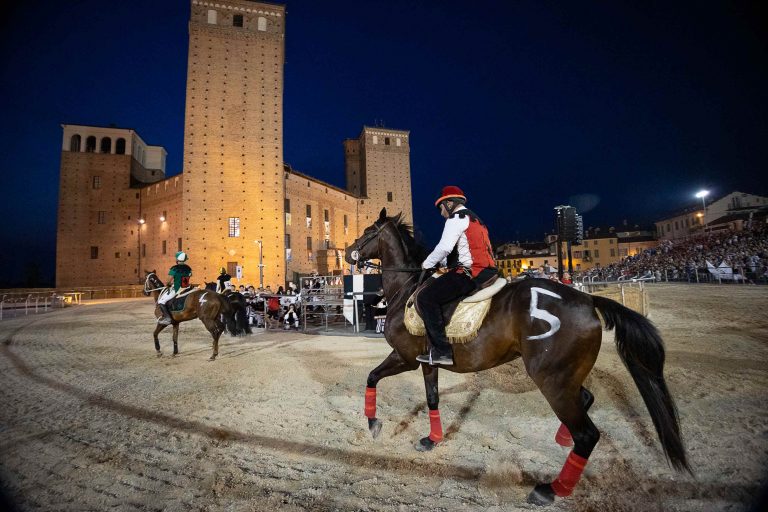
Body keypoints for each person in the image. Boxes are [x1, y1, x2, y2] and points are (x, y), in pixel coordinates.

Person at [416, 186, 498, 366]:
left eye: (441, 208)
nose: (441, 214)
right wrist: (444, 264)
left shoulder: (456, 218)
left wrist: (426, 264)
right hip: (488, 271)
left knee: (425, 298)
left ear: (449, 203)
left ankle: (442, 352)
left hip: (471, 273)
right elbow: (463, 250)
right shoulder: (476, 219)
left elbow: (444, 248)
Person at [157, 251, 193, 325]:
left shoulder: (174, 268)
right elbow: (189, 276)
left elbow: (169, 280)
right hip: (187, 288)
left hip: (177, 289)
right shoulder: (188, 268)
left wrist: (168, 284)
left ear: (177, 259)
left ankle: (167, 318)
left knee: (161, 302)